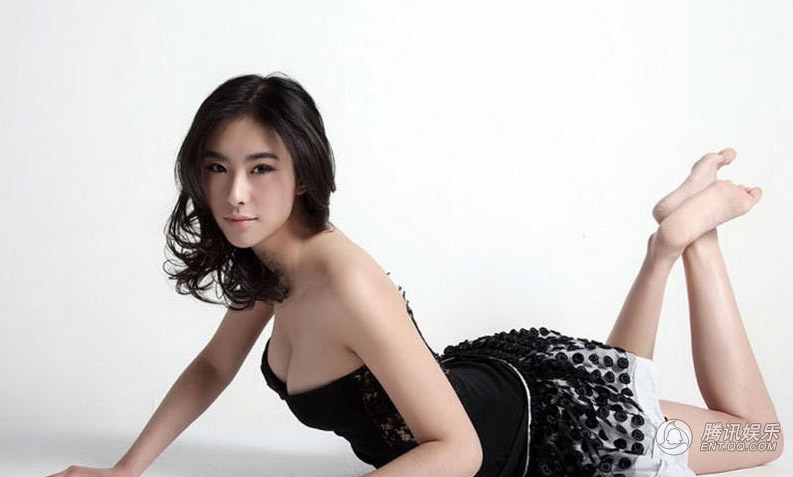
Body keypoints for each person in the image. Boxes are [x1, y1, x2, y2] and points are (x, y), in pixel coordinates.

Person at [47, 73, 784, 477]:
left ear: (302, 173)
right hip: (490, 389)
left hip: (538, 442)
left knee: (755, 439)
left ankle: (697, 242)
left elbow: (458, 451)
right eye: (217, 168)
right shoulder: (269, 257)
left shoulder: (344, 279)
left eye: (260, 168)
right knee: (620, 388)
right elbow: (214, 365)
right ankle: (662, 248)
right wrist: (125, 472)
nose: (234, 194)